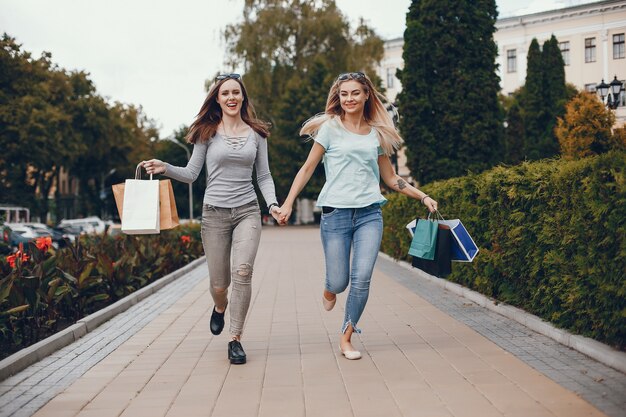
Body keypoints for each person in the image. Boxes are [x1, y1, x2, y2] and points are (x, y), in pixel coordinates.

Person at [278, 72, 438, 360]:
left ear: (366, 96)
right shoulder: (329, 128)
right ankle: (330, 289)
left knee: (361, 278)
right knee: (340, 281)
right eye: (344, 94)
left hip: (369, 215)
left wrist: (422, 195)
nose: (349, 99)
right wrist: (288, 203)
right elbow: (307, 169)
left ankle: (347, 336)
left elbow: (391, 179)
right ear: (338, 98)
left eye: (355, 93)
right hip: (336, 215)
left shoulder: (377, 134)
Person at [142, 73, 282, 365]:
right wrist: (165, 166)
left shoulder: (257, 134)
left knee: (243, 272)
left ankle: (235, 339)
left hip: (247, 211)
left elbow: (264, 175)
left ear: (243, 97)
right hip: (214, 214)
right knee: (220, 284)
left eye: (236, 92)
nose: (231, 97)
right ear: (217, 99)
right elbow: (192, 174)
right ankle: (220, 307)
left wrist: (272, 204)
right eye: (225, 93)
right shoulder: (206, 133)